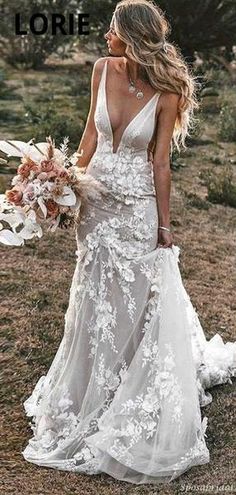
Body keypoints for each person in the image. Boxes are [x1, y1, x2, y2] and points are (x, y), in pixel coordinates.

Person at [21, 0, 236, 485]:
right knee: (92, 296)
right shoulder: (101, 69)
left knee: (139, 299)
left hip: (137, 209)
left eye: (113, 29)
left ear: (132, 34)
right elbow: (87, 140)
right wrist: (62, 185)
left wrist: (164, 226)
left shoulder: (167, 91)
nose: (105, 36)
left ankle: (132, 389)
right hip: (95, 206)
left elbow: (161, 163)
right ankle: (88, 388)